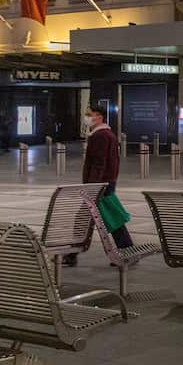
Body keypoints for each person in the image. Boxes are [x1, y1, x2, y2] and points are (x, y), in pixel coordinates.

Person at [65, 107, 132, 266]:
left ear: (99, 117)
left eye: (90, 114)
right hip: (106, 182)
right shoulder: (106, 134)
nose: (86, 117)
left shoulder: (101, 136)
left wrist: (92, 186)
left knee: (87, 219)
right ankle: (127, 250)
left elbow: (99, 162)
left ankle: (127, 251)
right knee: (107, 219)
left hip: (99, 184)